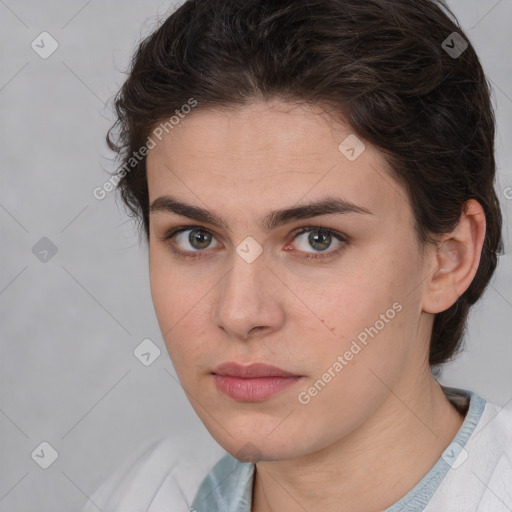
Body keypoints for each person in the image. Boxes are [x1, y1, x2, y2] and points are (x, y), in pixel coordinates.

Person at [85, 0, 512, 510]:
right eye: (196, 237)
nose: (239, 314)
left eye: (316, 239)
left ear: (449, 257)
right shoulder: (146, 494)